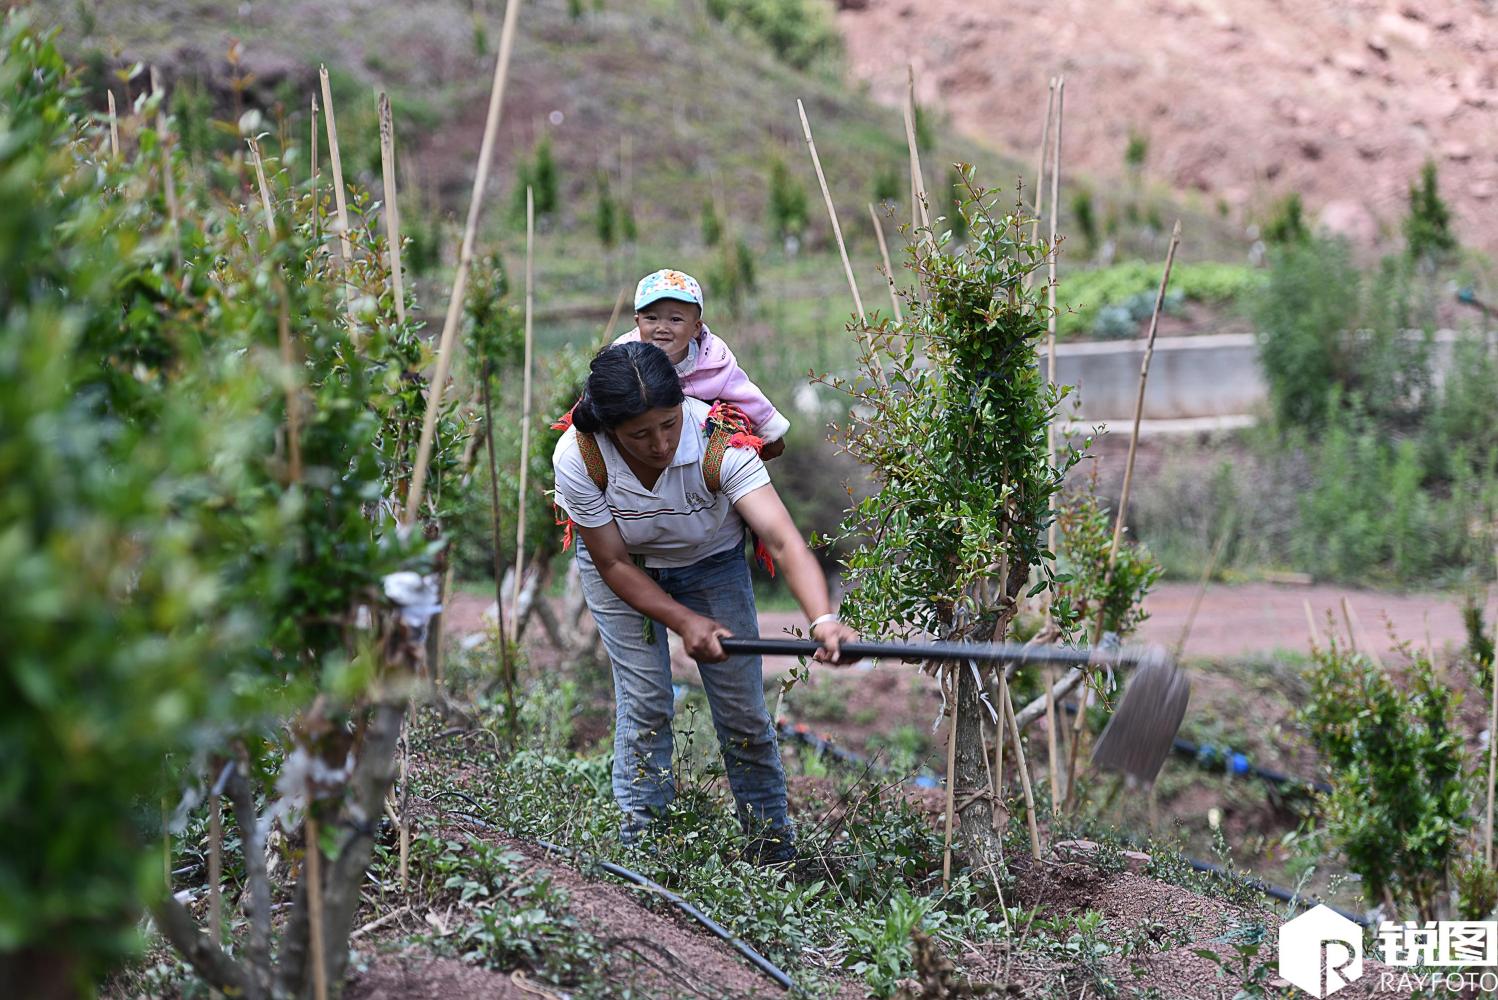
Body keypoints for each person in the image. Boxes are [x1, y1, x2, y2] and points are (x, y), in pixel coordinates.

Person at [551, 340, 856, 861]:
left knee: (743, 712)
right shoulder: (579, 456)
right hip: (624, 567)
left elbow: (783, 540)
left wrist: (824, 619)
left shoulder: (721, 439)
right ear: (607, 429)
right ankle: (645, 853)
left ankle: (772, 854)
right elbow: (612, 564)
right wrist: (684, 621)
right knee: (645, 703)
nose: (659, 443)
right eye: (639, 434)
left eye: (668, 424)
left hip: (712, 562)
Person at [613, 268, 791, 460]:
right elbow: (601, 386)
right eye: (651, 318)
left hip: (697, 442)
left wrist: (770, 432)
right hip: (642, 444)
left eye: (675, 319)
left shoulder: (712, 361)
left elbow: (744, 393)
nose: (661, 328)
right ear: (637, 322)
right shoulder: (623, 355)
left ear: (696, 328)